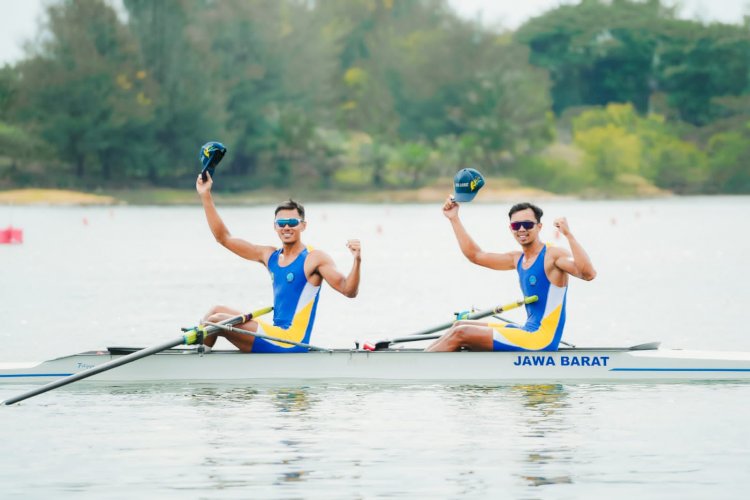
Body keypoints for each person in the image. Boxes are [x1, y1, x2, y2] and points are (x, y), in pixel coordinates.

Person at [195, 173, 361, 352]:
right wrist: (205, 195)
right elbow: (224, 238)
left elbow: (348, 290)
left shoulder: (314, 258)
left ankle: (197, 361)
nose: (287, 227)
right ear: (275, 226)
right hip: (275, 334)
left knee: (215, 321)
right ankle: (200, 354)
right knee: (215, 312)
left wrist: (357, 260)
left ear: (303, 226)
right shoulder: (269, 255)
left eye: (292, 222)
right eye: (281, 222)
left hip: (291, 341)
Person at [426, 200, 596, 352]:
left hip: (542, 339)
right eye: (516, 225)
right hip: (528, 330)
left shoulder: (553, 255)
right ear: (511, 229)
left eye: (528, 224)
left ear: (539, 227)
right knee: (460, 324)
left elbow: (588, 274)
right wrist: (453, 218)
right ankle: (422, 360)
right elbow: (475, 256)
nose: (521, 229)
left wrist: (569, 235)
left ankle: (417, 366)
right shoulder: (517, 259)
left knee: (461, 333)